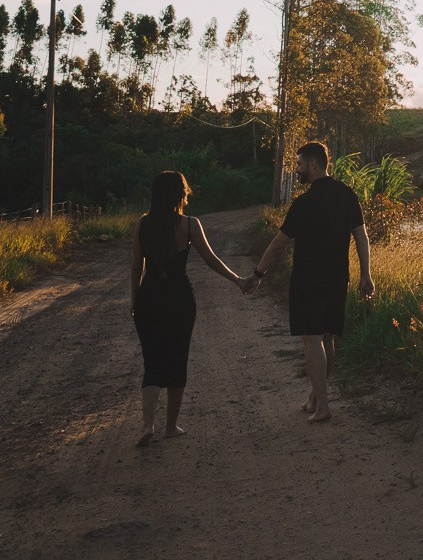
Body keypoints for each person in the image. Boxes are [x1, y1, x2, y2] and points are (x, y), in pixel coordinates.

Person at [244, 141, 373, 422]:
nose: (298, 169)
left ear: (314, 165)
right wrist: (366, 274)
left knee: (312, 340)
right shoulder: (348, 195)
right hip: (339, 277)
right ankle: (315, 399)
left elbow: (279, 243)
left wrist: (257, 274)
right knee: (327, 338)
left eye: (300, 164)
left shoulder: (304, 203)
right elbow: (361, 238)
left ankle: (324, 407)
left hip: (308, 280)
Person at [131, 170, 254, 447]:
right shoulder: (189, 225)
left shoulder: (143, 225)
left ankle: (147, 425)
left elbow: (136, 268)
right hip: (180, 300)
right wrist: (238, 280)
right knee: (177, 358)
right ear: (180, 194)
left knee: (152, 361)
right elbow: (211, 259)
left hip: (148, 299)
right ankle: (171, 426)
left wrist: (133, 301)